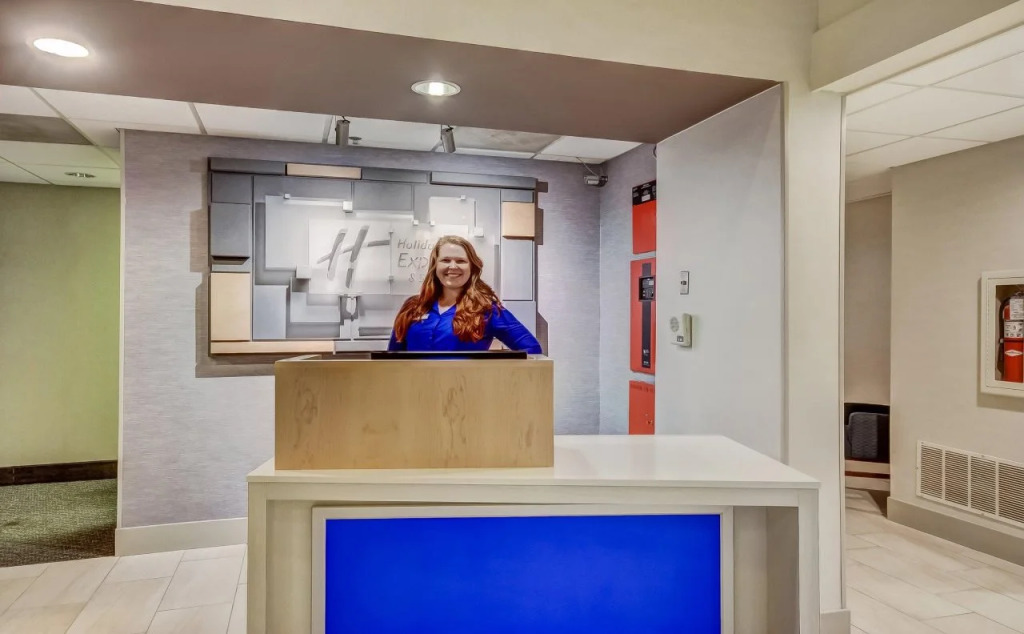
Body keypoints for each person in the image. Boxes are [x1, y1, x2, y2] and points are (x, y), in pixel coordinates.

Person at [388, 235, 543, 354]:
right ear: (435, 266)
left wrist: (494, 377)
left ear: (472, 267)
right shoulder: (413, 306)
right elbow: (392, 358)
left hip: (463, 386)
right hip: (414, 386)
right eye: (445, 260)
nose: (452, 266)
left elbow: (531, 349)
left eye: (461, 261)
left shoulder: (487, 310)